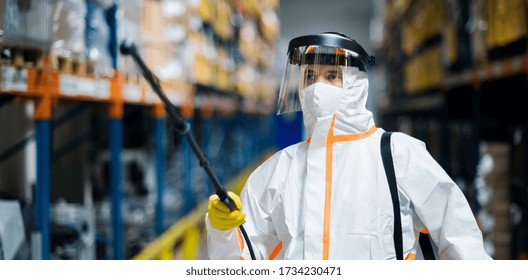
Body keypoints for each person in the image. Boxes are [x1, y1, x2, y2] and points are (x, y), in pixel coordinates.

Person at [205, 32, 492, 260]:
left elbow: (460, 239)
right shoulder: (278, 171)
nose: (317, 88)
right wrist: (222, 232)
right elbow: (242, 262)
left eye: (332, 76)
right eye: (309, 77)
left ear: (356, 84)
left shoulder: (398, 156)